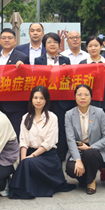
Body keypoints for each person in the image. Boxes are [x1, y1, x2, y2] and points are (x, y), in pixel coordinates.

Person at [9, 86, 76, 199]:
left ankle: (25, 189)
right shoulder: (25, 117)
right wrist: (23, 158)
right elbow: (23, 141)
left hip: (47, 156)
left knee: (28, 162)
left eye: (41, 98)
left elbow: (49, 143)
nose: (38, 101)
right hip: (29, 155)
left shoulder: (52, 117)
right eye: (35, 98)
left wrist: (31, 157)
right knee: (25, 162)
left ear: (46, 100)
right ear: (31, 99)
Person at [64, 84, 105, 195]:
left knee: (90, 154)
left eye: (86, 94)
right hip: (78, 150)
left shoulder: (99, 113)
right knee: (71, 169)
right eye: (79, 94)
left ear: (91, 97)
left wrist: (90, 147)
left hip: (96, 151)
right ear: (75, 97)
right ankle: (85, 178)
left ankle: (91, 181)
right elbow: (70, 139)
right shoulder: (69, 114)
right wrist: (78, 160)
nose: (83, 97)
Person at [34, 32, 73, 161]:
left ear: (59, 45)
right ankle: (44, 156)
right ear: (44, 45)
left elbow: (70, 81)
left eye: (55, 42)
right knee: (44, 128)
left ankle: (60, 158)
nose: (52, 44)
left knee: (60, 129)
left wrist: (65, 72)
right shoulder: (38, 61)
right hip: (45, 100)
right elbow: (36, 80)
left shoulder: (65, 60)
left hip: (61, 101)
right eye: (49, 42)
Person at [0, 28, 28, 138]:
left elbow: (27, 80)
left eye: (10, 38)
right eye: (3, 38)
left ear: (15, 40)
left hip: (14, 105)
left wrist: (23, 68)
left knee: (14, 135)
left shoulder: (22, 57)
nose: (6, 40)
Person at [78, 36, 105, 112]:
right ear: (87, 48)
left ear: (101, 47)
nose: (93, 48)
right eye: (90, 46)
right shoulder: (83, 64)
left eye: (96, 45)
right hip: (88, 101)